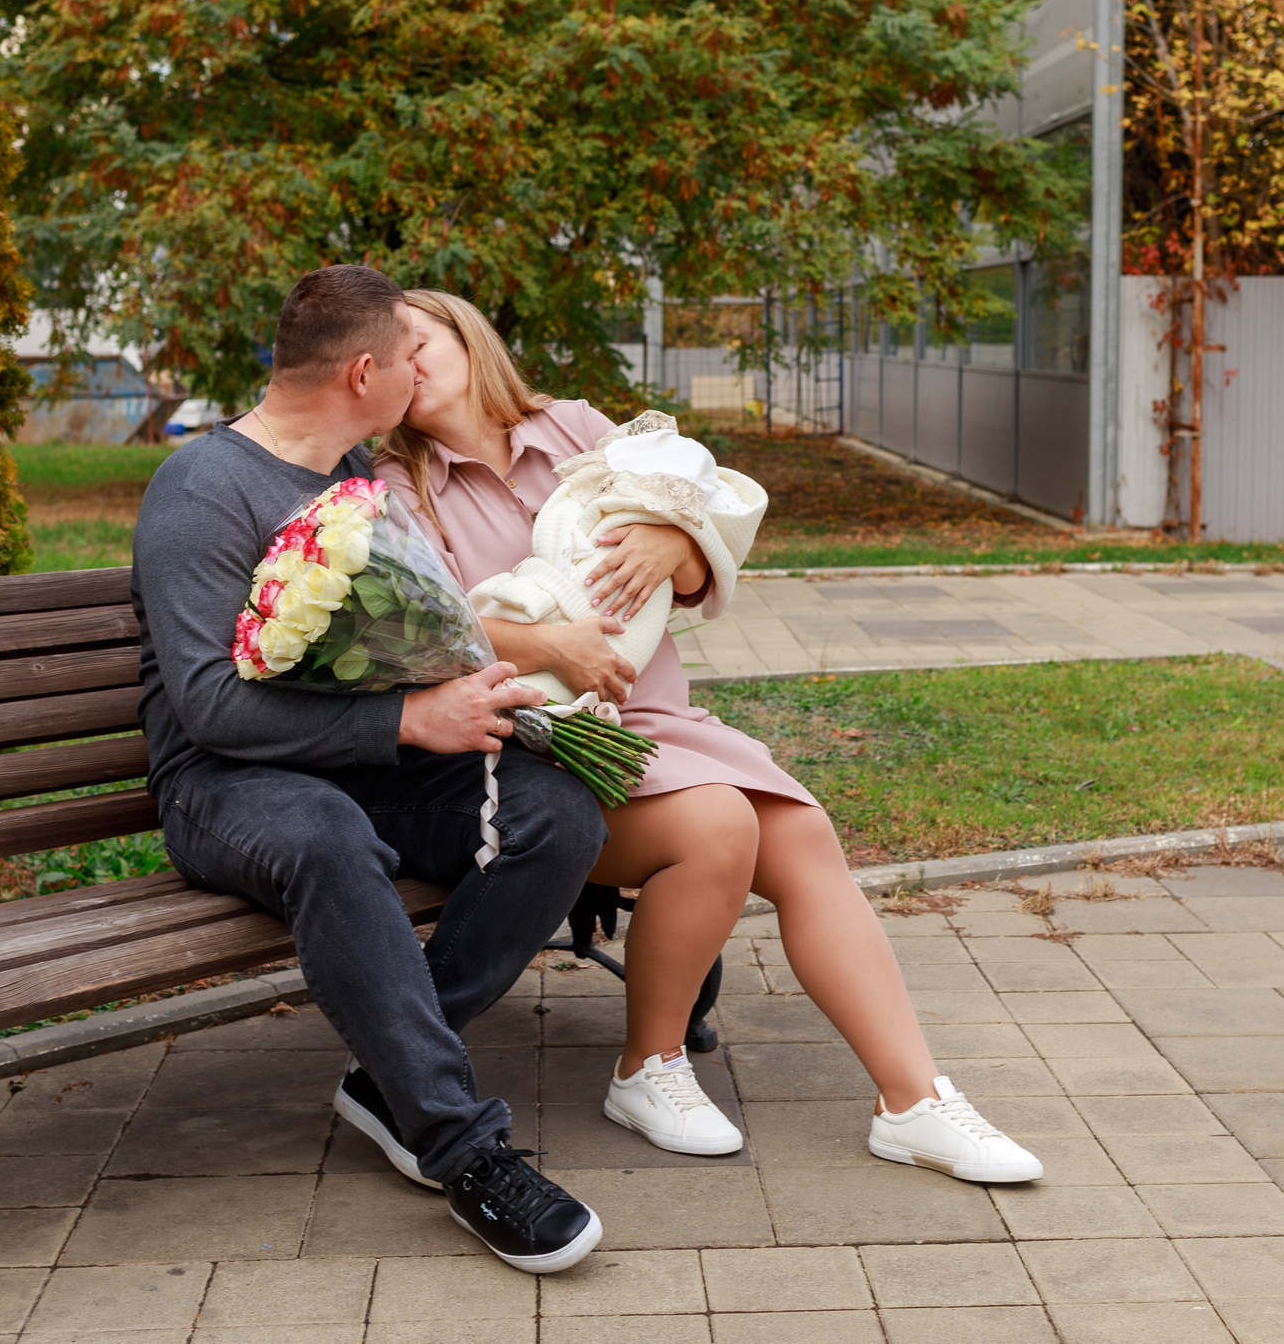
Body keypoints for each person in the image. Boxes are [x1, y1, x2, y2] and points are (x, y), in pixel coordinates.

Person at [378, 291, 1044, 1184]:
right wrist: (548, 644)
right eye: (387, 354)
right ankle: (646, 1070)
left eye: (419, 340)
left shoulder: (575, 429)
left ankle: (912, 1101)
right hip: (556, 746)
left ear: (467, 334)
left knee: (804, 835)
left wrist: (670, 544)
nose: (407, 363)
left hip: (662, 721)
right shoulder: (396, 486)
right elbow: (420, 632)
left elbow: (699, 553)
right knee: (720, 825)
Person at [131, 264, 607, 1273]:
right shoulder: (202, 489)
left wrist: (465, 691)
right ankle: (464, 1149)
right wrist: (410, 717)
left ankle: (390, 1079)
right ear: (361, 372)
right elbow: (210, 706)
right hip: (224, 785)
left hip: (363, 763)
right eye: (410, 360)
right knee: (330, 838)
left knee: (555, 810)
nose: (419, 381)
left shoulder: (353, 473)